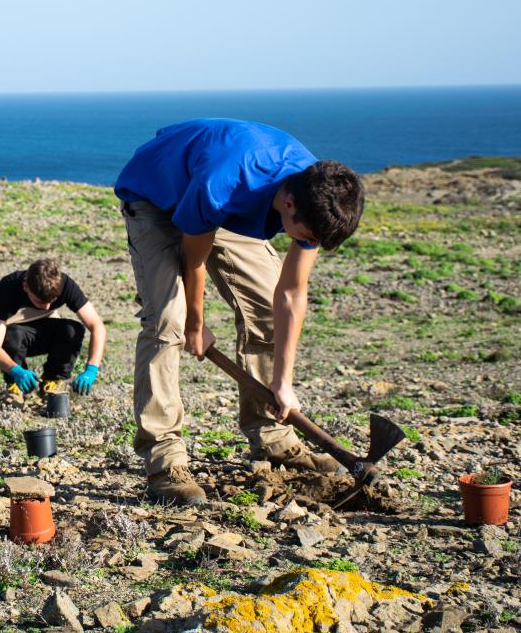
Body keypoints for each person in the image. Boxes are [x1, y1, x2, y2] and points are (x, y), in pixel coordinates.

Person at [114, 118, 364, 505]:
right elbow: (192, 260)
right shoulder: (225, 183)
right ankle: (163, 459)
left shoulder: (319, 192)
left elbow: (291, 294)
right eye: (309, 238)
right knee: (168, 321)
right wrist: (197, 323)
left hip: (222, 202)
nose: (309, 244)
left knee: (265, 307)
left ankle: (273, 436)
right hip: (158, 196)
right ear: (288, 204)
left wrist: (283, 382)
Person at [0, 258, 107, 400]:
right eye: (40, 301)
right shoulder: (8, 287)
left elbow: (97, 326)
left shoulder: (65, 284)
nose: (46, 307)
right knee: (12, 335)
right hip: (16, 334)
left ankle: (52, 382)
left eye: (51, 301)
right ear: (25, 286)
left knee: (73, 329)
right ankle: (15, 386)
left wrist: (91, 369)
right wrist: (15, 370)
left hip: (48, 332)